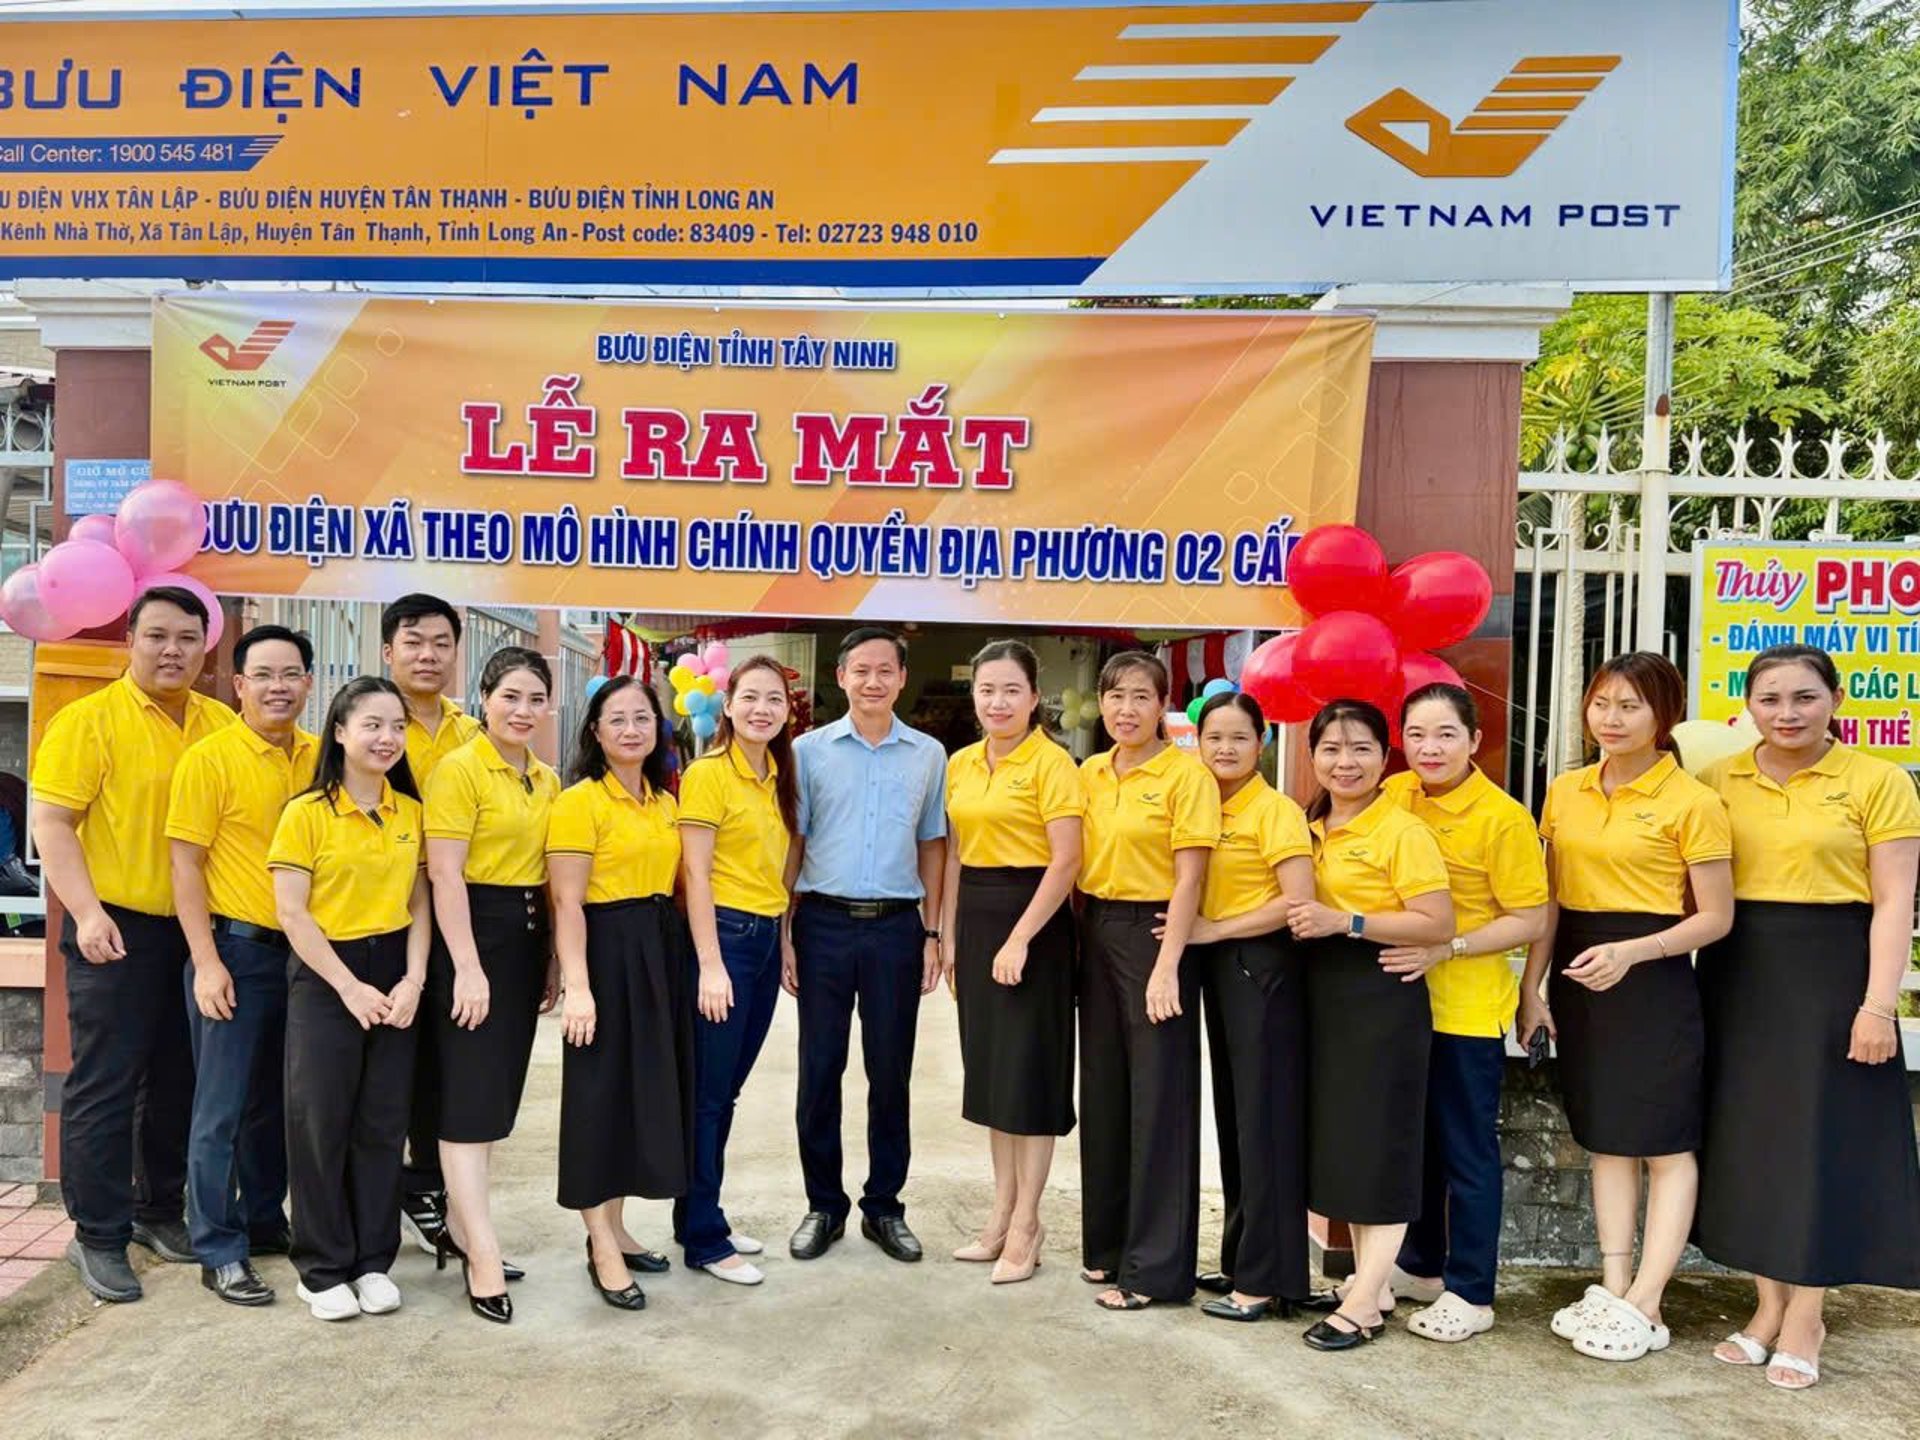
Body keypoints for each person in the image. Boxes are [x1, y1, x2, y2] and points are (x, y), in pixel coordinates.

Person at [1694, 645, 1920, 1391]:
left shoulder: (1878, 782)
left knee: (1820, 1141)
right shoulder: (1718, 779)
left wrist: (1877, 1005)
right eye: (1770, 700)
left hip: (1833, 972)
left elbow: (1893, 902)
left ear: (1836, 698)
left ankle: (1807, 1315)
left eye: (1803, 698)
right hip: (1740, 970)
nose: (1787, 714)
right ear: (1747, 706)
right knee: (1753, 1140)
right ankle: (1766, 1306)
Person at [1522, 652, 1734, 1363]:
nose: (1611, 719)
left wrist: (1634, 953)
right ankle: (1613, 1287)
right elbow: (1551, 899)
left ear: (1664, 716)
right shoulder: (1566, 790)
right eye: (1601, 703)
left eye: (1630, 706)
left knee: (1667, 1144)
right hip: (1582, 973)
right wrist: (1533, 986)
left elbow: (1715, 920)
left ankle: (1649, 1299)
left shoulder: (1694, 802)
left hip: (1654, 978)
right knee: (1607, 1137)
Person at [33, 585, 235, 1303]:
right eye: (157, 636)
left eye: (187, 637)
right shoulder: (89, 722)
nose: (172, 650)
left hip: (199, 933)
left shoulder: (220, 723)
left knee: (180, 1077)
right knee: (106, 1081)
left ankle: (158, 1211)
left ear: (206, 645)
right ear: (131, 639)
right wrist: (85, 913)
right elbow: (52, 822)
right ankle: (99, 1234)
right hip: (113, 925)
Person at [1381, 683, 1549, 1342]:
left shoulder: (1503, 818)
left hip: (1466, 1008)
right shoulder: (1395, 795)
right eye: (1417, 734)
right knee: (1415, 1144)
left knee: (1466, 1153)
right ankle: (1420, 1265)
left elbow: (1530, 918)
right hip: (1399, 1002)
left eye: (1446, 734)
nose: (1429, 748)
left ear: (1475, 740)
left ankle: (1473, 1289)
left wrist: (1444, 945)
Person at [1287, 699, 1455, 1351]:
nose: (1344, 761)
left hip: (1381, 996)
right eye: (1330, 748)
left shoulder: (1401, 830)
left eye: (1360, 748)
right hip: (1325, 998)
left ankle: (1361, 1304)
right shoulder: (1311, 821)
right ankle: (1373, 1283)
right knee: (1345, 1147)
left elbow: (1436, 921)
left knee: (1380, 1148)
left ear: (1384, 757)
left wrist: (1348, 920)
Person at [270, 678, 432, 1322]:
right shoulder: (306, 812)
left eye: (396, 726)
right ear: (339, 731)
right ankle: (321, 1267)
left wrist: (414, 978)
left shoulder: (410, 813)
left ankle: (372, 1261)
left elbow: (419, 903)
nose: (387, 738)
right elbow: (292, 912)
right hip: (326, 974)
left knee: (381, 1124)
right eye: (372, 724)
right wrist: (348, 986)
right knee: (319, 1123)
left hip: (394, 971)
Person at [166, 624, 318, 1307]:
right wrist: (205, 962)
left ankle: (263, 1220)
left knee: (276, 1106)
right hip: (235, 950)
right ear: (239, 684)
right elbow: (185, 865)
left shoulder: (323, 756)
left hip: (305, 957)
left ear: (309, 684)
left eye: (290, 674)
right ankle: (218, 1247)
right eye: (263, 675)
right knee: (220, 1109)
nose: (277, 687)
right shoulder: (210, 758)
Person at [785, 628, 948, 1265]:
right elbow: (793, 845)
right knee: (819, 1071)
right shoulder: (806, 751)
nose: (873, 681)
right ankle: (823, 1205)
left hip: (895, 929)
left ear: (902, 678)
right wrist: (786, 933)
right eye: (861, 670)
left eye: (885, 670)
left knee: (891, 1073)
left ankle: (884, 1207)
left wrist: (933, 932)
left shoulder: (929, 754)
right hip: (822, 924)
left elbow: (934, 843)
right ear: (842, 677)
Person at [1075, 651, 1219, 1312]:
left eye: (1139, 697)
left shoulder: (1186, 776)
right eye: (1113, 696)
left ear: (1162, 705)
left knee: (1158, 1098)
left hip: (1155, 934)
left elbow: (1191, 876)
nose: (1124, 709)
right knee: (1105, 1091)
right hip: (1095, 926)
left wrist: (1169, 966)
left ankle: (1156, 1271)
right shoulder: (1091, 772)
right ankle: (1107, 1248)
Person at [423, 646, 562, 1323]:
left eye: (536, 699)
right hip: (474, 936)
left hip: (527, 939)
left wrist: (556, 960)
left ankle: (460, 1224)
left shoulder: (547, 778)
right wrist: (468, 965)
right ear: (484, 697)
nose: (523, 710)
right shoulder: (458, 771)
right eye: (511, 696)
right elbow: (445, 875)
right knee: (471, 1102)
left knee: (497, 1099)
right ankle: (480, 1251)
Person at [938, 640, 1083, 1285]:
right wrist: (946, 934)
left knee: (1030, 1080)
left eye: (1011, 691)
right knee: (994, 1080)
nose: (997, 702)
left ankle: (1028, 1223)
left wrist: (1021, 938)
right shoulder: (962, 764)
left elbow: (1067, 861)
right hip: (977, 917)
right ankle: (999, 1215)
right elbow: (957, 854)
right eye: (986, 690)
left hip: (1036, 927)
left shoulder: (1054, 765)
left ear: (1034, 699)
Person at [550, 677, 691, 1312]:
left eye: (643, 718)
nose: (632, 729)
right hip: (605, 951)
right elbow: (567, 901)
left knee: (639, 1097)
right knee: (597, 1100)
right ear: (596, 732)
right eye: (618, 719)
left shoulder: (664, 802)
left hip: (659, 950)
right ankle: (599, 1243)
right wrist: (577, 986)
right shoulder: (580, 802)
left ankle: (619, 1225)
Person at [1182, 692, 1316, 1323]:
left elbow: (1299, 902)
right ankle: (1242, 1255)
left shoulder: (1276, 811)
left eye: (1239, 737)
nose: (1226, 749)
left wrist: (1214, 929)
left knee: (1264, 1123)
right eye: (1214, 738)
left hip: (1262, 970)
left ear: (1262, 741)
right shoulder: (1206, 803)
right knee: (1236, 1120)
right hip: (1225, 971)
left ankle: (1265, 1279)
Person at [675, 656, 797, 1285]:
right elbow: (695, 873)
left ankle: (696, 1211)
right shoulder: (707, 775)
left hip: (765, 938)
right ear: (726, 705)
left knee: (727, 1090)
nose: (761, 710)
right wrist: (709, 964)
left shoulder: (778, 774)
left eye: (773, 699)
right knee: (710, 1094)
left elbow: (780, 870)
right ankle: (704, 1237)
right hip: (724, 936)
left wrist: (785, 938)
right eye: (749, 697)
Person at [381, 594, 480, 1255]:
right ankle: (372, 1210)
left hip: (453, 915)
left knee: (445, 1067)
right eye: (413, 641)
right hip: (381, 918)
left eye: (441, 642)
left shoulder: (472, 734)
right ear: (388, 650)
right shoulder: (368, 720)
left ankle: (426, 1192)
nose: (427, 654)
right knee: (387, 1070)